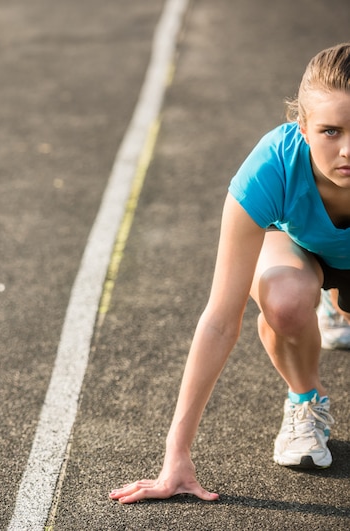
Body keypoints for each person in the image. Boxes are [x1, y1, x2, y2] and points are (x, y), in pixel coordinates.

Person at [110, 42, 350, 504]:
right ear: (300, 127)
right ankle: (305, 402)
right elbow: (221, 318)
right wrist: (175, 453)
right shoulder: (271, 166)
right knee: (284, 300)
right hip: (301, 246)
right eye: (330, 131)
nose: (347, 149)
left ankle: (337, 306)